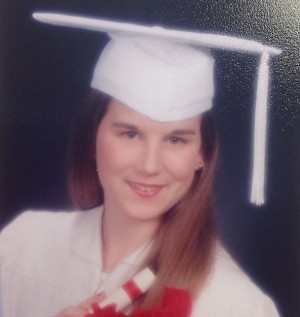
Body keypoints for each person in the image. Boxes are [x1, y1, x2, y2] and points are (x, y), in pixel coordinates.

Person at [0, 12, 281, 317]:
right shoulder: (22, 244)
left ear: (201, 153)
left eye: (176, 140)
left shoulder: (233, 303)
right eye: (130, 134)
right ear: (92, 139)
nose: (150, 166)